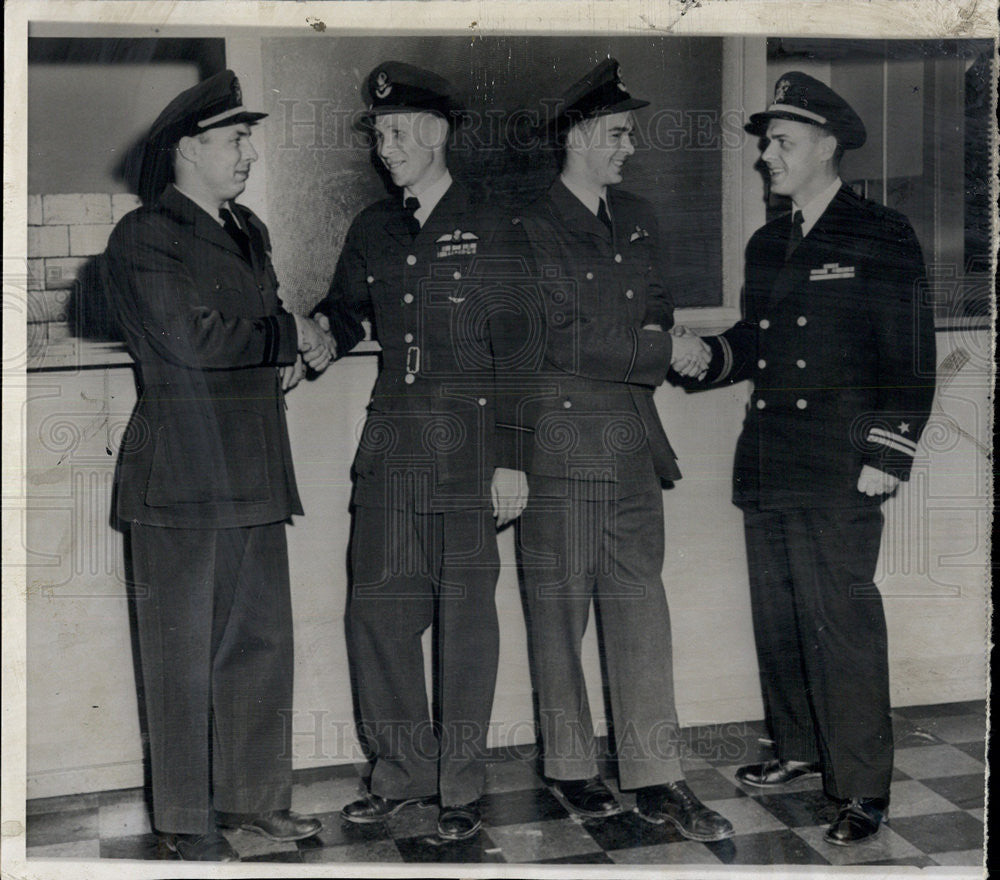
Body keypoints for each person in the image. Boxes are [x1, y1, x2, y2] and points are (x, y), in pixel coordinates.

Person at [687, 71, 937, 845]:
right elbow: (759, 345)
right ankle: (799, 748)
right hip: (770, 458)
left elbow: (911, 357)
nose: (766, 155)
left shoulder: (880, 234)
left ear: (827, 148)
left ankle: (860, 786)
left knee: (841, 620)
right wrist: (706, 356)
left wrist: (887, 454)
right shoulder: (769, 243)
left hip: (839, 462)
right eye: (766, 142)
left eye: (782, 142)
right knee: (782, 614)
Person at [104, 70, 332, 861]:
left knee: (260, 648)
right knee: (181, 660)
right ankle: (185, 820)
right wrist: (285, 338)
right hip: (182, 481)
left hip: (256, 470)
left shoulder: (248, 228)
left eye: (247, 138)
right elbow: (192, 339)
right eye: (234, 139)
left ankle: (256, 804)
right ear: (185, 151)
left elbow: (255, 324)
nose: (248, 153)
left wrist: (288, 353)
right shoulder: (145, 236)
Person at [511, 58, 733, 842]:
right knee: (558, 615)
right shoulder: (527, 224)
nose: (628, 147)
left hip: (635, 442)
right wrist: (659, 350)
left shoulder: (636, 215)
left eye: (629, 134)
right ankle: (570, 768)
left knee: (642, 610)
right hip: (562, 444)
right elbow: (555, 335)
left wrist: (670, 338)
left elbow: (659, 303)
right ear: (575, 137)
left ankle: (656, 775)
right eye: (616, 134)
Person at [312, 61, 531, 842]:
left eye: (399, 131)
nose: (385, 146)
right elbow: (343, 312)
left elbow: (520, 347)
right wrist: (315, 337)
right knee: (375, 614)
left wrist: (513, 456)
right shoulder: (374, 226)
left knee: (466, 619)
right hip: (390, 445)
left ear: (438, 135)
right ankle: (401, 775)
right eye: (378, 134)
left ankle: (461, 783)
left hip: (471, 450)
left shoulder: (496, 221)